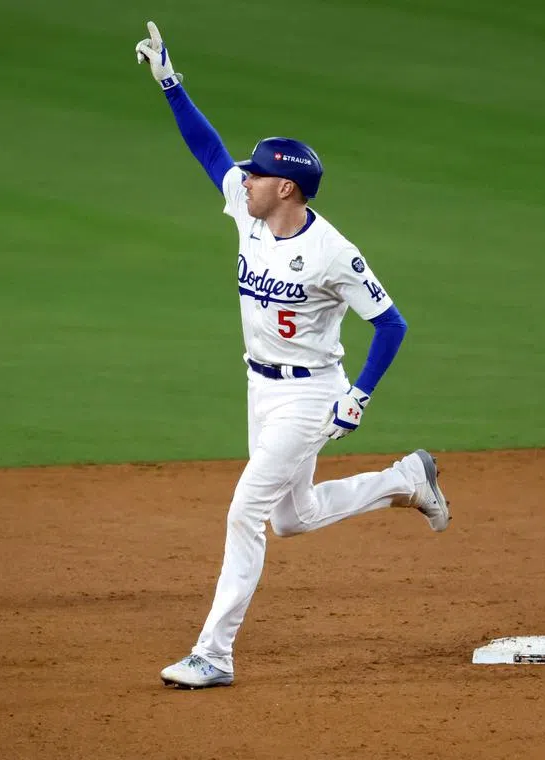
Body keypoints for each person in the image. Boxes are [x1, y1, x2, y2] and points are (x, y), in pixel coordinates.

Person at [135, 21, 451, 690]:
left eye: (258, 173)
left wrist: (356, 396)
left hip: (311, 395)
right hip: (260, 390)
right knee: (292, 516)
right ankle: (405, 480)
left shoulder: (334, 253)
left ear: (287, 188)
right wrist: (170, 83)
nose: (244, 177)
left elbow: (391, 325)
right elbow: (206, 149)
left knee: (245, 513)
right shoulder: (248, 212)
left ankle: (214, 655)